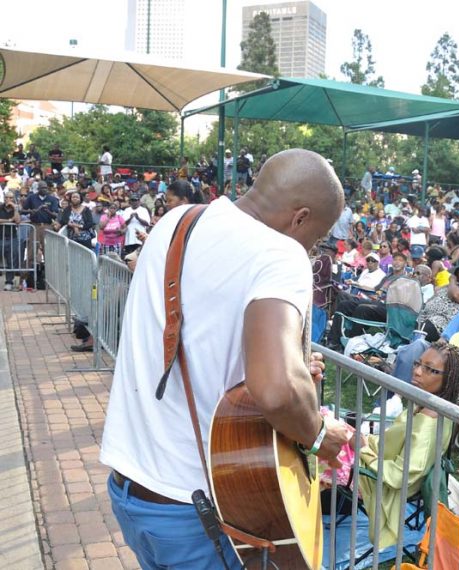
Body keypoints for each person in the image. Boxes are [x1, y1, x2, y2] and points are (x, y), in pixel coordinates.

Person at [99, 149, 350, 570]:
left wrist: (283, 362)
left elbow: (199, 329)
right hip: (198, 511)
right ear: (300, 217)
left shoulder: (180, 221)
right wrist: (320, 434)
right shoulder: (281, 253)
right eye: (318, 238)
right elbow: (275, 390)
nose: (312, 248)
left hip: (132, 487)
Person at [356, 341, 459, 546]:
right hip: (376, 458)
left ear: (449, 379)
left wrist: (363, 450)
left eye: (430, 370)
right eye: (418, 364)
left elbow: (400, 475)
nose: (416, 372)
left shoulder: (429, 420)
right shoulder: (430, 405)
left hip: (382, 480)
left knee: (321, 454)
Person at [0, 191, 20, 290]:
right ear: (4, 198)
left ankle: (9, 282)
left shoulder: (15, 208)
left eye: (11, 198)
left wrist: (15, 209)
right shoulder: (0, 206)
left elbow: (18, 221)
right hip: (0, 237)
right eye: (7, 197)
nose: (9, 199)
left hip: (12, 238)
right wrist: (8, 221)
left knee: (11, 260)